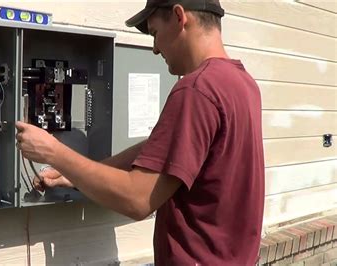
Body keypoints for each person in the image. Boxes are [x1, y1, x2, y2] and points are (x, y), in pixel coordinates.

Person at [15, 0, 265, 264]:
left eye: (155, 32)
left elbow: (138, 200)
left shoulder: (196, 90)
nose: (155, 49)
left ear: (180, 17)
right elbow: (161, 150)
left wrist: (54, 152)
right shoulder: (243, 83)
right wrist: (74, 176)